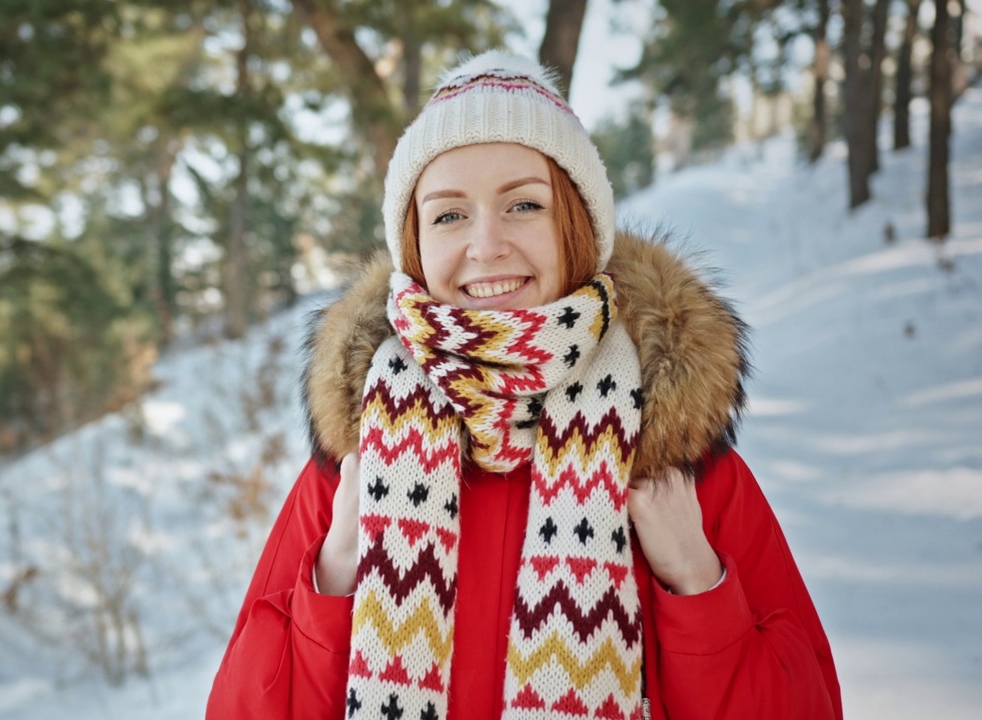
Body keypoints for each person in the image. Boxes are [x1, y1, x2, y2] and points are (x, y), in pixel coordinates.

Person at [206, 50, 842, 720]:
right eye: (450, 215)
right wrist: (335, 573)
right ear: (415, 243)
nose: (487, 245)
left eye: (523, 205)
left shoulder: (677, 466)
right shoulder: (355, 466)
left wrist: (697, 582)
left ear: (577, 226)